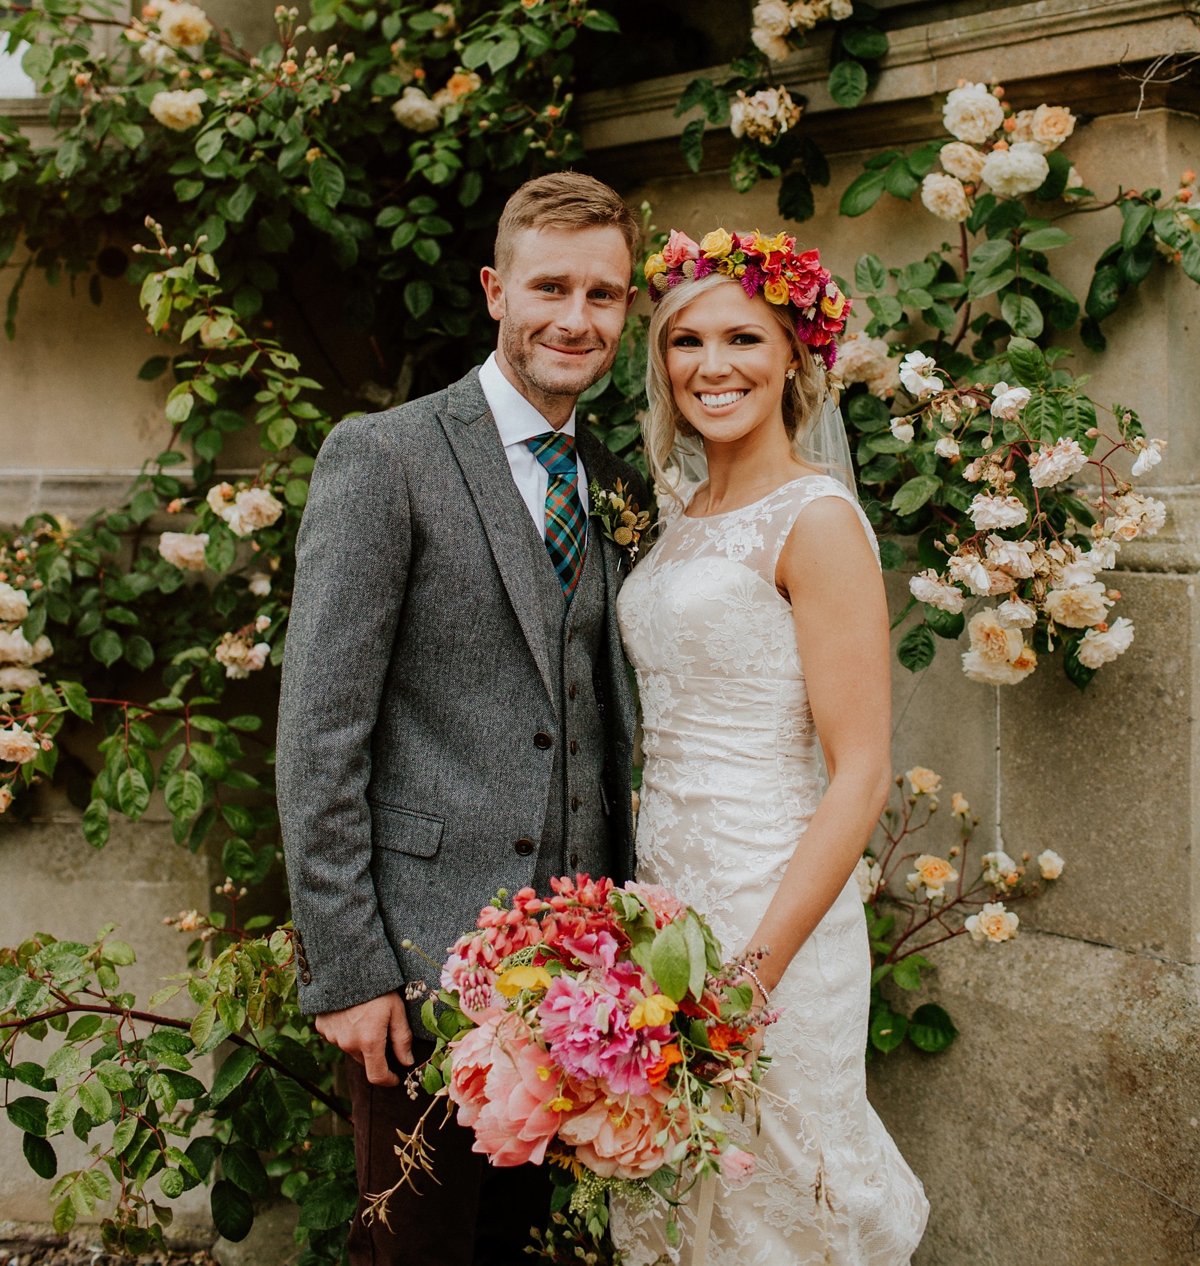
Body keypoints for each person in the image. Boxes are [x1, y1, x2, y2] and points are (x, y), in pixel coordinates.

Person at [275, 171, 647, 1266]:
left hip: (580, 981)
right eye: (551, 287)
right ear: (495, 290)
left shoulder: (614, 480)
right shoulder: (384, 456)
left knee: (531, 1250)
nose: (576, 319)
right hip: (415, 963)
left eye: (606, 295)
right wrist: (348, 970)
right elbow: (318, 732)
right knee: (418, 1248)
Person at [613, 227, 929, 1265]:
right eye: (685, 341)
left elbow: (862, 772)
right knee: (679, 1187)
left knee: (779, 1197)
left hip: (773, 908)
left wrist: (751, 979)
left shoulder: (817, 518)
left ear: (795, 353)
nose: (713, 366)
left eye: (743, 338)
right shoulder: (683, 508)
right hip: (666, 899)